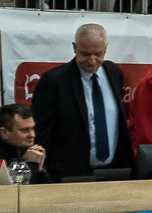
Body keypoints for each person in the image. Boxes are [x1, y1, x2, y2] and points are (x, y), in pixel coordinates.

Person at [31, 22, 134, 179]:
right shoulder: (53, 81)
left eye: (98, 54)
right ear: (75, 48)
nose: (92, 60)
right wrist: (40, 174)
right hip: (69, 174)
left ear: (106, 49)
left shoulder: (113, 72)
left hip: (113, 172)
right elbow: (41, 132)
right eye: (85, 54)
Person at [0, 104, 50, 183]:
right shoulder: (2, 159)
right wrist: (30, 164)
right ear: (5, 133)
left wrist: (41, 170)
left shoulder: (31, 152)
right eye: (25, 130)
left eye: (33, 129)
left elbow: (49, 190)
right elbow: (21, 189)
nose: (32, 135)